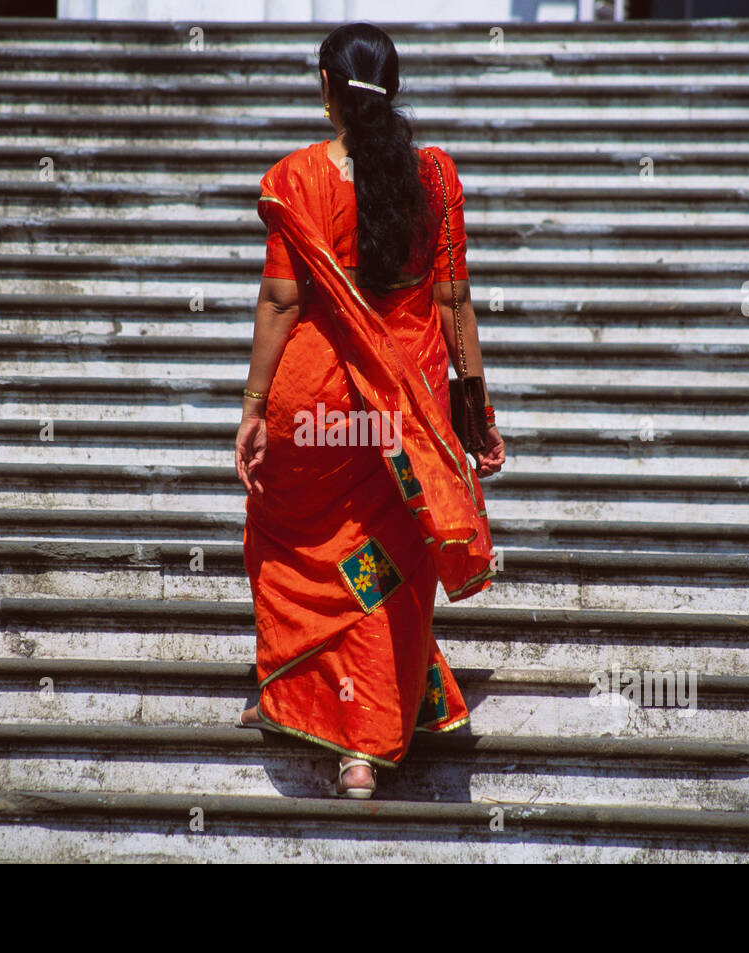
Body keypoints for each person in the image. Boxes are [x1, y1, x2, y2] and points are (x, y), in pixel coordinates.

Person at [233, 22, 506, 799]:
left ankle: (310, 698)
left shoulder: (296, 179)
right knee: (385, 568)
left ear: (327, 89)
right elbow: (454, 305)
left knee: (310, 561)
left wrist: (253, 408)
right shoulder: (436, 179)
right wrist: (475, 414)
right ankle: (365, 745)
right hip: (403, 420)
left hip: (314, 408)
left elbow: (282, 302)